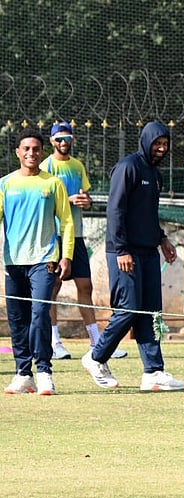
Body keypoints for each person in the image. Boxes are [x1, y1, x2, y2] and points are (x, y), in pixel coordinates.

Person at [81, 121, 184, 391]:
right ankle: (96, 357)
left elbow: (149, 214)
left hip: (148, 252)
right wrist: (121, 249)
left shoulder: (155, 174)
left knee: (151, 313)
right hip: (123, 252)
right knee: (128, 309)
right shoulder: (128, 167)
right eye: (157, 144)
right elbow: (115, 210)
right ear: (146, 141)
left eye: (165, 144)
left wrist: (162, 239)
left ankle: (153, 371)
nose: (161, 149)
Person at [40, 121, 127, 361]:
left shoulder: (77, 166)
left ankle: (97, 343)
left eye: (67, 139)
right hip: (54, 236)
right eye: (59, 139)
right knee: (52, 289)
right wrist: (67, 200)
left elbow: (85, 195)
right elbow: (43, 200)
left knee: (85, 287)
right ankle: (54, 342)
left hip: (76, 235)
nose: (64, 143)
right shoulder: (45, 166)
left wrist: (86, 202)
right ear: (52, 141)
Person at [1, 128, 74, 395]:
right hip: (14, 262)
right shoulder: (6, 183)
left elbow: (66, 222)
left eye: (36, 149)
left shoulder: (52, 183)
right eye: (26, 149)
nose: (31, 153)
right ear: (18, 152)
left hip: (44, 260)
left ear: (41, 152)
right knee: (17, 318)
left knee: (40, 313)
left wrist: (66, 255)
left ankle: (44, 370)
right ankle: (23, 374)